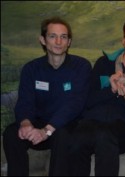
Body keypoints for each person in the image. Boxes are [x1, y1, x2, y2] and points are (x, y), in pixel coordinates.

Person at [2, 16, 92, 176]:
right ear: (43, 40)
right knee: (11, 133)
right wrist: (25, 123)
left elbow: (75, 104)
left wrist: (47, 130)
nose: (58, 42)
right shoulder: (31, 69)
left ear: (69, 42)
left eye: (63, 37)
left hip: (68, 125)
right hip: (39, 123)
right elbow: (25, 101)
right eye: (53, 36)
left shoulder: (81, 66)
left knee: (62, 134)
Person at [68, 17, 125, 176]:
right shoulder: (104, 63)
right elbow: (87, 101)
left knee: (105, 135)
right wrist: (111, 89)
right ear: (123, 40)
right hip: (91, 122)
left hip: (123, 129)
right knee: (77, 137)